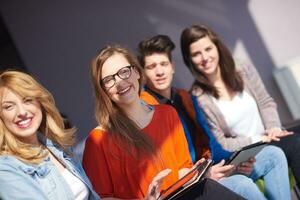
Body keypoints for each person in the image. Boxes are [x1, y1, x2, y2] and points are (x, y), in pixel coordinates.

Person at [138, 34, 292, 200]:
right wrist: (203, 174)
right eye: (151, 66)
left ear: (172, 66)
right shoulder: (146, 109)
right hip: (188, 182)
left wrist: (235, 162)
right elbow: (163, 165)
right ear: (143, 73)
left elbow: (212, 142)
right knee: (242, 184)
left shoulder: (185, 97)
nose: (159, 71)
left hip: (209, 168)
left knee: (273, 154)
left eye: (163, 64)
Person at [82, 45, 244, 200]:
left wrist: (198, 173)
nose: (119, 81)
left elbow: (182, 170)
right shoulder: (97, 140)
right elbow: (99, 198)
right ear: (102, 89)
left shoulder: (167, 114)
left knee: (234, 185)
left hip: (185, 195)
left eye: (124, 72)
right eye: (109, 79)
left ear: (137, 72)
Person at [181, 25, 300, 188]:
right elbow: (222, 142)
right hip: (247, 154)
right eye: (196, 54)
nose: (204, 57)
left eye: (208, 49)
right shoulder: (198, 97)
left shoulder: (242, 67)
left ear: (217, 46)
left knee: (296, 141)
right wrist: (257, 139)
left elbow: (265, 102)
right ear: (189, 60)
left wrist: (273, 127)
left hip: (271, 138)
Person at [0, 71, 100, 200]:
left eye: (27, 100)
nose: (22, 112)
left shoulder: (57, 147)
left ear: (40, 103)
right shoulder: (6, 168)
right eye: (9, 107)